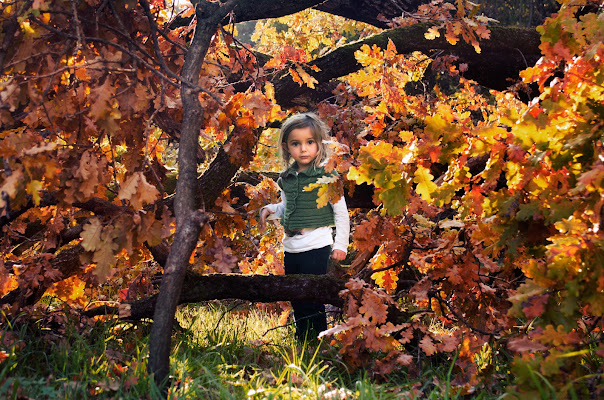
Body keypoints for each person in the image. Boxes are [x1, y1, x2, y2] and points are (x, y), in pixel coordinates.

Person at [260, 112, 350, 343]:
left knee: (312, 295)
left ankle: (318, 340)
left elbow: (341, 212)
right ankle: (303, 338)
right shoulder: (286, 178)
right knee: (296, 295)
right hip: (291, 246)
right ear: (287, 147)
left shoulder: (328, 176)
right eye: (296, 143)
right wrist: (271, 209)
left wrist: (340, 245)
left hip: (317, 244)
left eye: (310, 142)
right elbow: (287, 207)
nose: (303, 149)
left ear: (319, 143)